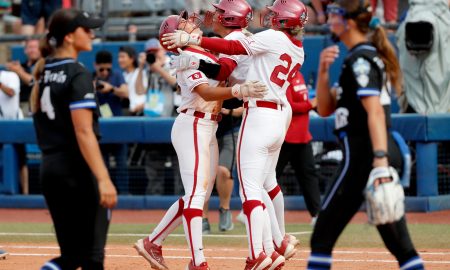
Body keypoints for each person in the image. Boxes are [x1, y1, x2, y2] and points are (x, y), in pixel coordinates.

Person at [161, 0, 308, 268]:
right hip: (277, 110)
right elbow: (225, 68)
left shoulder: (263, 37)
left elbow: (226, 61)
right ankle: (275, 244)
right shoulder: (296, 48)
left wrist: (196, 44)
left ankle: (260, 253)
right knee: (265, 182)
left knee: (251, 188)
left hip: (260, 111)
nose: (213, 14)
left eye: (219, 12)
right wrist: (197, 57)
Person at [133, 11, 268, 270]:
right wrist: (238, 90)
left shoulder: (204, 54)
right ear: (173, 36)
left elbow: (224, 69)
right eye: (183, 23)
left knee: (198, 194)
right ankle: (198, 262)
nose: (190, 24)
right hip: (192, 124)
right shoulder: (186, 57)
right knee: (196, 194)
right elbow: (205, 91)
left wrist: (244, 45)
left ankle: (153, 242)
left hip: (208, 125)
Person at [306, 1, 424, 269]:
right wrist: (323, 73)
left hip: (365, 156)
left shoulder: (361, 59)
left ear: (348, 21)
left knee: (322, 237)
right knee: (401, 248)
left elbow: (375, 112)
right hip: (369, 154)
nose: (329, 20)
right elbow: (324, 109)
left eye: (335, 15)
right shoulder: (358, 57)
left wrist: (380, 161)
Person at [30, 8, 117, 270]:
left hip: (51, 169)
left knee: (71, 257)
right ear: (69, 36)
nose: (92, 34)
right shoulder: (77, 73)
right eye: (86, 29)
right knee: (91, 257)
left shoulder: (43, 71)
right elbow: (83, 131)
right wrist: (103, 179)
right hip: (77, 169)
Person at [275, 71, 321, 225]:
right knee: (271, 175)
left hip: (302, 136)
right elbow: (288, 105)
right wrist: (311, 104)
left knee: (309, 175)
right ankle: (253, 209)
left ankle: (317, 215)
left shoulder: (299, 75)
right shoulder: (284, 75)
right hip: (287, 136)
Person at [93, 50, 130, 194]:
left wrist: (111, 89)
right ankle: (103, 193)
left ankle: (124, 194)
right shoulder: (90, 77)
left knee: (122, 165)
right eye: (101, 69)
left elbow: (126, 93)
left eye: (107, 69)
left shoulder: (117, 75)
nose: (104, 72)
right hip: (100, 129)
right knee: (103, 165)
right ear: (95, 65)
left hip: (117, 127)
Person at [6, 38, 41, 117]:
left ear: (41, 50)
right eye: (30, 47)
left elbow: (34, 82)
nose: (32, 50)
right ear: (25, 50)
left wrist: (19, 72)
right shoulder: (19, 66)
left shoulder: (44, 65)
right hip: (15, 103)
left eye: (35, 47)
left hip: (34, 104)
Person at [118, 45, 148, 115]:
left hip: (141, 112)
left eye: (122, 57)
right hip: (129, 112)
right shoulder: (123, 75)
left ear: (132, 59)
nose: (120, 60)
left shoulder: (142, 72)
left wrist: (142, 106)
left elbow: (142, 91)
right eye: (119, 57)